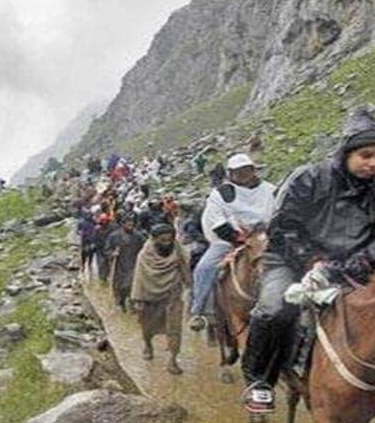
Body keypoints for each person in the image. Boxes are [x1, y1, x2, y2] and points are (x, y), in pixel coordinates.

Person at [240, 108, 375, 423]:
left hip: (353, 266)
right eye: (366, 155)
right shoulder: (308, 178)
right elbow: (283, 227)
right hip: (291, 260)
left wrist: (344, 267)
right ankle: (260, 380)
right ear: (347, 152)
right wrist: (313, 262)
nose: (374, 163)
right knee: (274, 309)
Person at [189, 154, 276, 331]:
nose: (243, 175)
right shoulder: (220, 194)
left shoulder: (271, 190)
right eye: (238, 171)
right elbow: (217, 222)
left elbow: (279, 214)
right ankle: (200, 311)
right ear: (230, 173)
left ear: (253, 170)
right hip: (230, 241)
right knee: (204, 267)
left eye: (246, 170)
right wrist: (237, 237)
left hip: (266, 238)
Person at [131, 224, 191, 375]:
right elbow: (139, 278)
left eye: (169, 240)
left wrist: (190, 286)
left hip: (173, 294)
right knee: (147, 326)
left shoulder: (178, 250)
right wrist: (137, 300)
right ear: (154, 239)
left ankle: (173, 359)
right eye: (163, 240)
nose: (167, 243)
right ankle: (148, 345)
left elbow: (185, 270)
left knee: (174, 328)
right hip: (149, 297)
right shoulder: (144, 256)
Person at [106, 216, 146, 311]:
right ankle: (121, 302)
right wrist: (113, 253)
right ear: (123, 225)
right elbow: (107, 249)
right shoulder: (114, 236)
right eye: (128, 225)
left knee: (132, 284)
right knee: (120, 285)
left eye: (132, 225)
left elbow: (144, 249)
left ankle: (131, 303)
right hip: (120, 265)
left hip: (133, 263)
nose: (130, 227)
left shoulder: (138, 236)